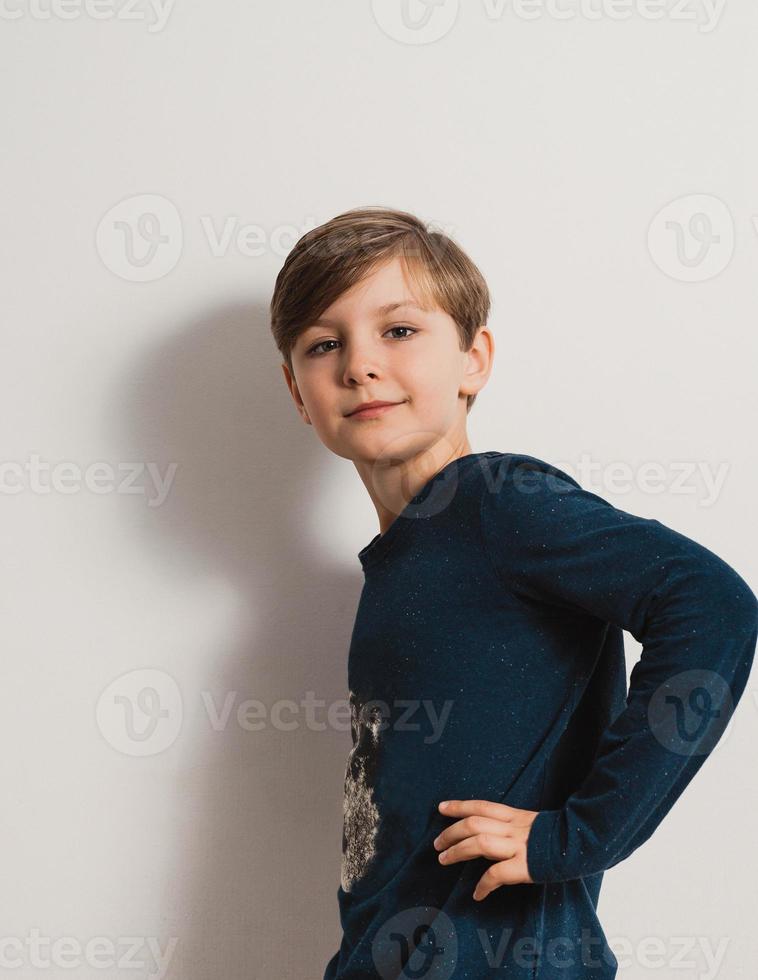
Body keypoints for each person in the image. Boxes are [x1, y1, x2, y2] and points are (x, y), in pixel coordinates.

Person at [268, 207, 757, 979]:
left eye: (398, 331)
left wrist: (577, 836)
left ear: (474, 359)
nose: (359, 364)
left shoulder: (498, 503)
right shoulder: (398, 565)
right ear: (299, 392)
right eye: (324, 345)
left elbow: (711, 604)